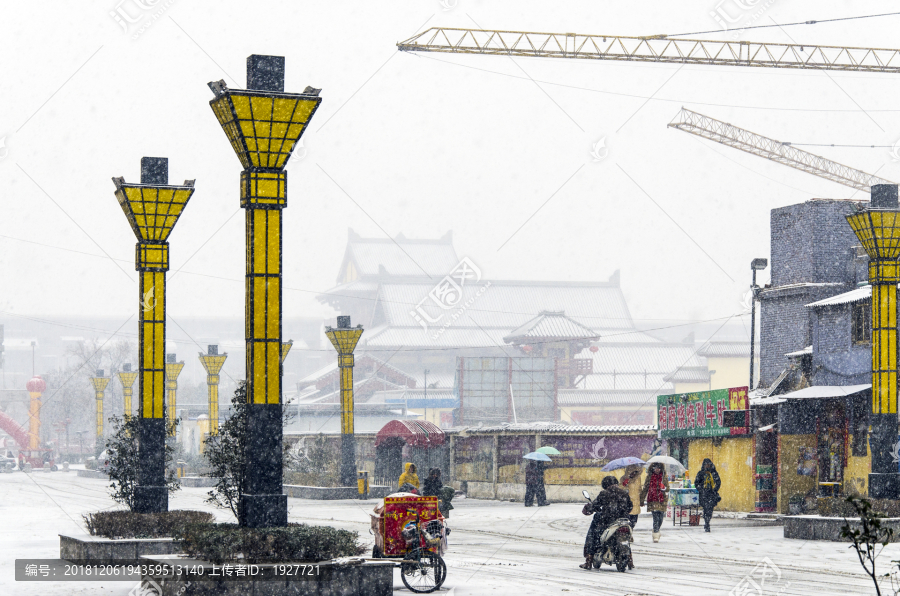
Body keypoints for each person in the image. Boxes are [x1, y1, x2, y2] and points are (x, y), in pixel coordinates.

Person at [580, 476, 632, 569]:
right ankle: (630, 561)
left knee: (593, 535)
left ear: (605, 485)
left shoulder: (604, 493)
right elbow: (630, 507)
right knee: (626, 539)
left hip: (608, 523)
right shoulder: (624, 493)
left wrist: (589, 508)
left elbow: (594, 506)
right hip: (623, 521)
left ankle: (589, 561)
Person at [640, 462, 669, 543]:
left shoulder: (664, 477)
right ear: (653, 468)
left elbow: (668, 489)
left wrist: (664, 487)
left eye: (659, 468)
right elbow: (645, 488)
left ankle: (656, 529)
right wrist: (641, 499)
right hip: (653, 499)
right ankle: (656, 534)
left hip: (662, 499)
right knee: (655, 516)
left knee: (661, 517)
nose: (657, 470)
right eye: (656, 468)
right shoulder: (649, 477)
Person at [695, 458, 721, 532]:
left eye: (708, 464)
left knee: (710, 510)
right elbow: (697, 483)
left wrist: (715, 489)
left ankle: (707, 521)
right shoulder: (700, 473)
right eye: (706, 464)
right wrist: (701, 489)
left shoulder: (714, 473)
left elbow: (718, 482)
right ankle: (706, 523)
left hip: (711, 494)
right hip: (704, 494)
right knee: (706, 508)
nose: (707, 466)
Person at [621, 464, 643, 530]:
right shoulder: (623, 479)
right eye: (632, 472)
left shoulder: (638, 479)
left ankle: (630, 531)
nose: (633, 474)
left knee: (634, 521)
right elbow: (620, 490)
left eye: (635, 472)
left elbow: (640, 489)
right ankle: (629, 533)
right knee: (627, 520)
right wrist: (624, 485)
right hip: (627, 503)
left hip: (636, 503)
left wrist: (642, 500)